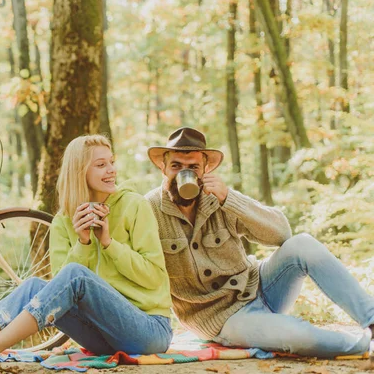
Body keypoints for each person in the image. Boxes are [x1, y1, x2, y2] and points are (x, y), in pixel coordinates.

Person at [0, 134, 172, 374]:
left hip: (148, 330)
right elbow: (59, 292)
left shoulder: (135, 206)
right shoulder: (63, 222)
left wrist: (109, 243)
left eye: (111, 162)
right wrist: (84, 242)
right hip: (102, 336)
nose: (111, 170)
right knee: (32, 287)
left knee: (75, 275)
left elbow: (153, 277)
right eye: (101, 165)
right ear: (79, 172)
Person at [145, 127, 374, 358]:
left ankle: (372, 322)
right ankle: (363, 345)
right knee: (298, 336)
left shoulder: (219, 197)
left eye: (193, 167)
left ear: (206, 170)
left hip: (260, 286)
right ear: (163, 168)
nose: (185, 173)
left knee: (302, 244)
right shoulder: (149, 209)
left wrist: (229, 198)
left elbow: (282, 234)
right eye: (176, 166)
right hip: (221, 319)